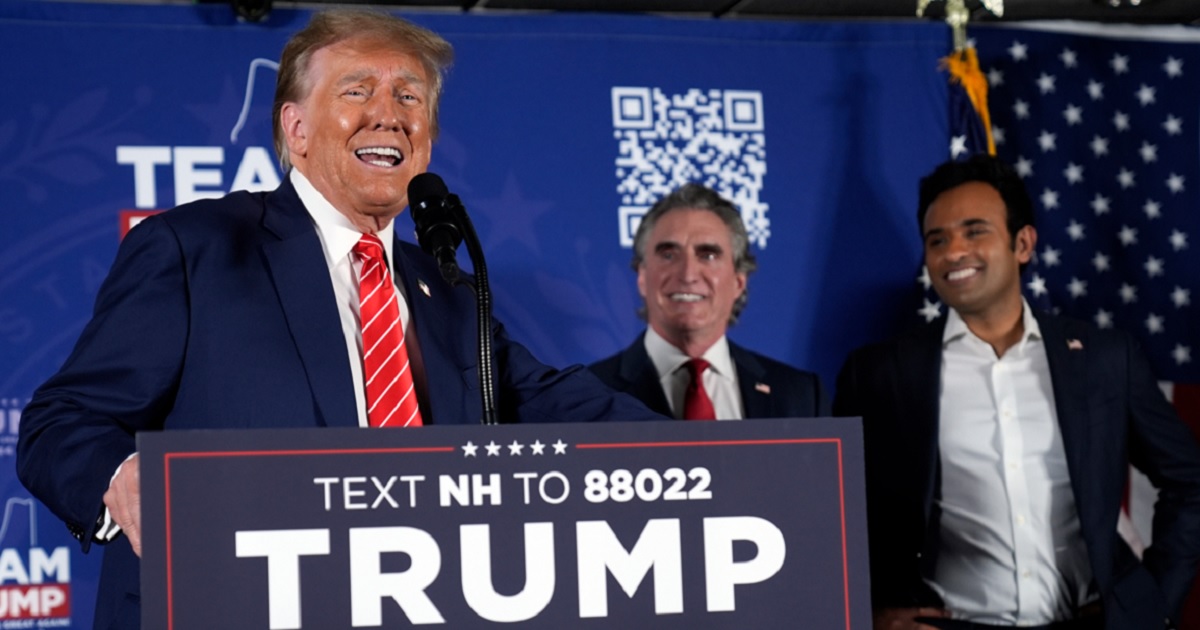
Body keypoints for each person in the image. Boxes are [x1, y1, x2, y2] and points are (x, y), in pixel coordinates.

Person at [16, 9, 659, 629]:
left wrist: (728, 460)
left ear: (428, 142)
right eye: (358, 91)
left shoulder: (448, 288)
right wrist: (124, 478)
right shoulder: (195, 249)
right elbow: (60, 424)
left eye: (410, 99)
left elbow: (553, 404)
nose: (389, 115)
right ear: (295, 130)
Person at [833, 154, 1200, 630]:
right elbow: (835, 514)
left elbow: (1190, 481)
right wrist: (867, 612)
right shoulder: (880, 374)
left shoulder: (1104, 358)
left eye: (974, 231)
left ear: (1022, 243)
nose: (953, 252)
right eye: (936, 240)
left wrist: (1151, 603)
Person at [590, 183, 827, 420]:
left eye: (708, 255)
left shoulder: (799, 394)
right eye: (668, 255)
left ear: (738, 281)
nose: (688, 274)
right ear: (642, 277)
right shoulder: (590, 394)